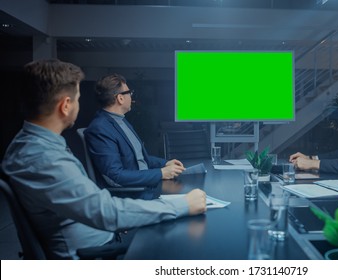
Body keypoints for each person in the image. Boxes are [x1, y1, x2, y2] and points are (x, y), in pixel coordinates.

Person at [2, 59, 207, 259]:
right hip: (94, 250)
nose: (78, 105)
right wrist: (182, 205)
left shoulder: (32, 144)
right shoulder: (43, 158)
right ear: (65, 106)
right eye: (77, 98)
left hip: (102, 235)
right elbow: (105, 212)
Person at [84, 73, 185, 191]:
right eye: (129, 93)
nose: (131, 97)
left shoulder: (121, 121)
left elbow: (139, 158)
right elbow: (115, 176)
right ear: (120, 98)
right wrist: (161, 173)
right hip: (134, 193)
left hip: (144, 185)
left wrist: (165, 164)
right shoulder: (100, 129)